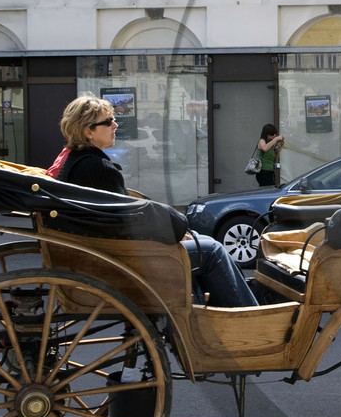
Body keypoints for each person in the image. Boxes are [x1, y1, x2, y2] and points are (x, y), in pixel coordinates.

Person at [56, 96, 257, 307]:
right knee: (212, 249)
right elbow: (126, 222)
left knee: (199, 240)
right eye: (108, 122)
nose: (115, 125)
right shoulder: (96, 167)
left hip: (105, 252)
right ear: (89, 132)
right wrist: (171, 232)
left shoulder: (76, 162)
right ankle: (248, 314)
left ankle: (223, 306)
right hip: (120, 258)